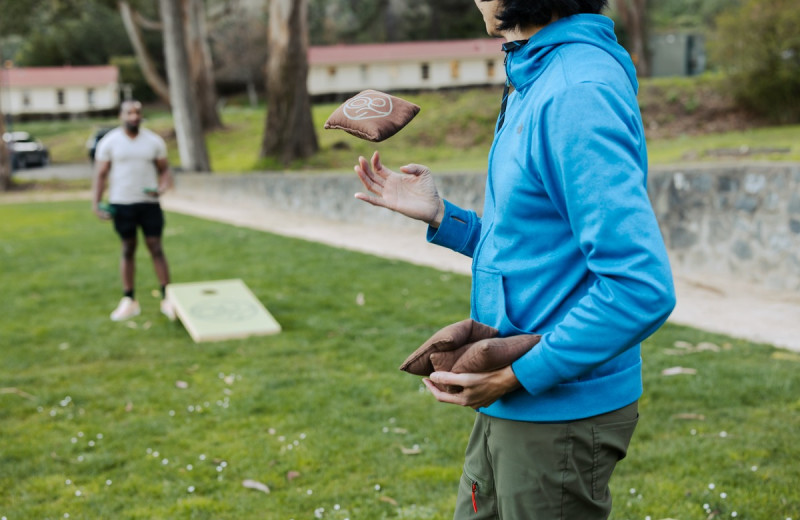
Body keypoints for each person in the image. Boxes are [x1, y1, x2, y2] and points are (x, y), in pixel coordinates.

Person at [353, 1, 676, 518]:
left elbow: (641, 288)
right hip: (515, 395)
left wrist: (517, 375)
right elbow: (539, 247)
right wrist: (443, 218)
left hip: (557, 408)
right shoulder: (536, 72)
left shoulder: (576, 92)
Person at [92, 100, 176, 322]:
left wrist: (162, 186)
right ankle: (129, 300)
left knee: (156, 247)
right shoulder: (110, 142)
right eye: (129, 112)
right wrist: (96, 203)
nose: (134, 116)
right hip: (121, 203)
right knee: (128, 248)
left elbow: (165, 170)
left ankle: (168, 297)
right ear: (121, 115)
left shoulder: (153, 142)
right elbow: (100, 175)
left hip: (148, 204)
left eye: (137, 112)